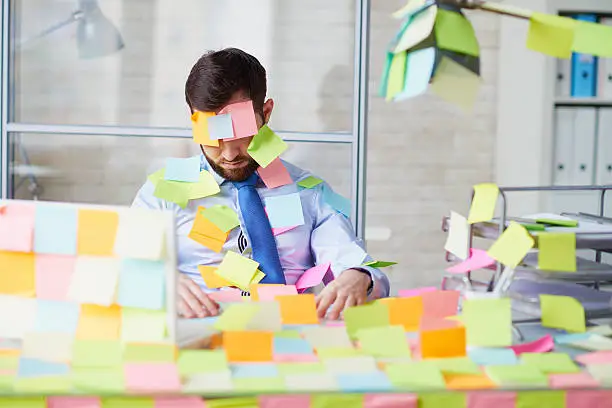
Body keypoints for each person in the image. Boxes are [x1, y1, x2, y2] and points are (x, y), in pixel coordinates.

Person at [132, 48, 390, 320]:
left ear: (266, 112)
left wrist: (357, 276)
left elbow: (351, 259)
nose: (230, 155)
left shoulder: (309, 192)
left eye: (242, 135)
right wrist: (156, 278)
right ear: (193, 118)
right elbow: (120, 264)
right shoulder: (161, 192)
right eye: (214, 138)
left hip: (288, 339)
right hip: (195, 339)